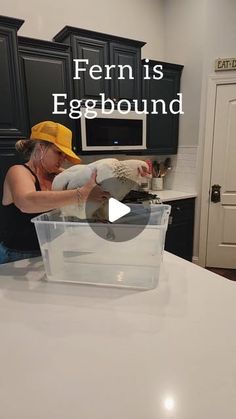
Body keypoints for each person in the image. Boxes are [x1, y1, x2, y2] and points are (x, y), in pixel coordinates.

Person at [0, 121, 110, 264]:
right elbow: (26, 202)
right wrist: (81, 194)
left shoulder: (59, 176)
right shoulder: (18, 171)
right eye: (58, 153)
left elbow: (93, 188)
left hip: (52, 252)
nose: (62, 160)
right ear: (40, 148)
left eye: (65, 156)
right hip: (16, 256)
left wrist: (127, 176)